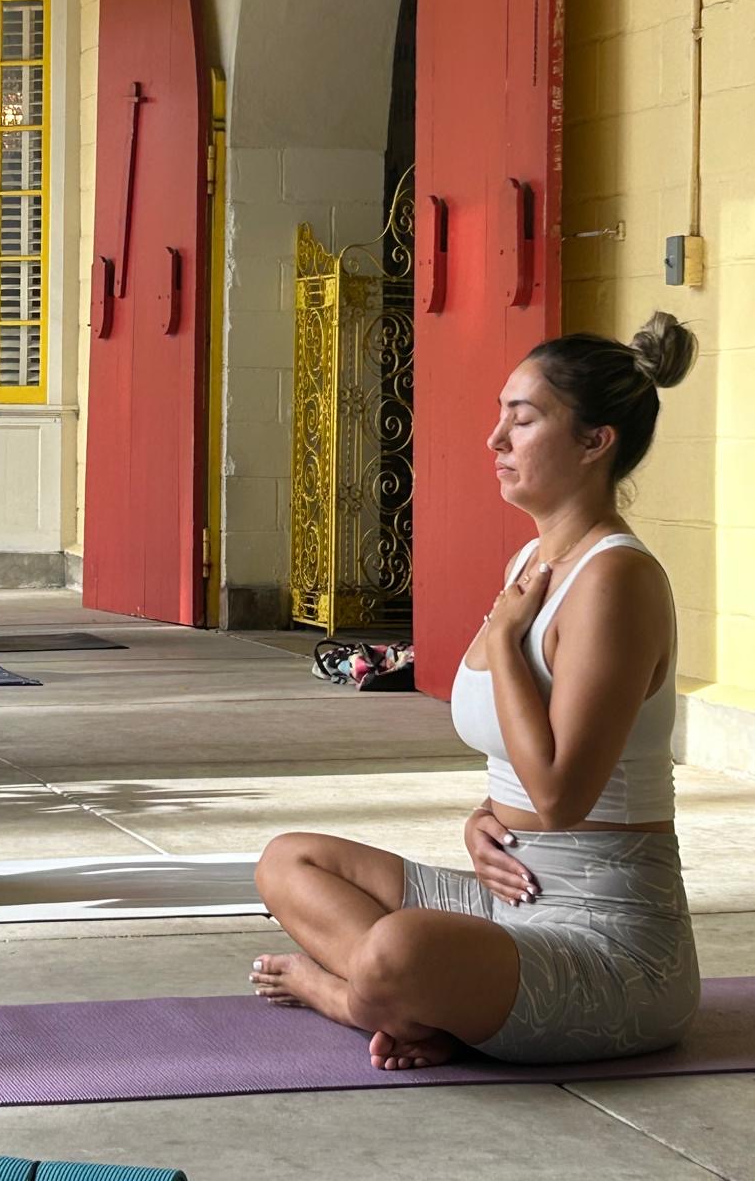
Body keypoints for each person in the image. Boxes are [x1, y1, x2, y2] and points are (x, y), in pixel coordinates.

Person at [250, 312, 701, 1069]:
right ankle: (409, 1000)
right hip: (508, 896)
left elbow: (560, 798)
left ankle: (347, 995)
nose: (495, 440)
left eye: (521, 422)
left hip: (609, 944)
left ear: (596, 443)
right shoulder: (531, 559)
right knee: (288, 861)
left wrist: (501, 640)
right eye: (500, 417)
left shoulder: (617, 578)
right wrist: (482, 819)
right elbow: (520, 771)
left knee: (398, 949)